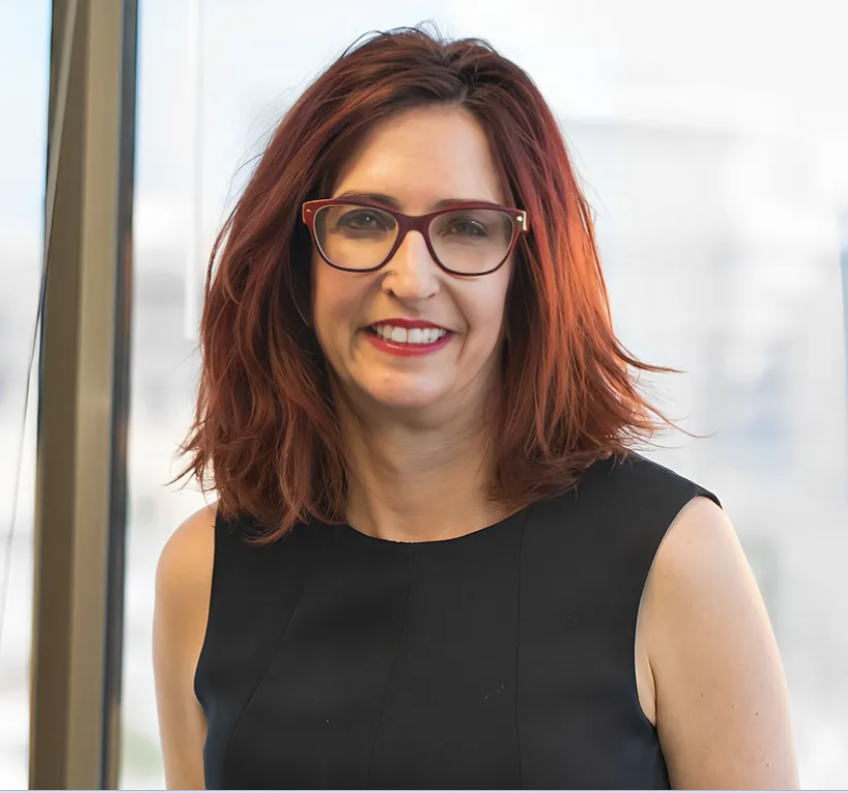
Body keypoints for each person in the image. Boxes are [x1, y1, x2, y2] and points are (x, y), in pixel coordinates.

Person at [153, 25, 799, 790]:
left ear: (528, 270)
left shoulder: (676, 557)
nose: (412, 277)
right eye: (364, 219)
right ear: (298, 255)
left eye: (466, 228)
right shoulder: (204, 571)